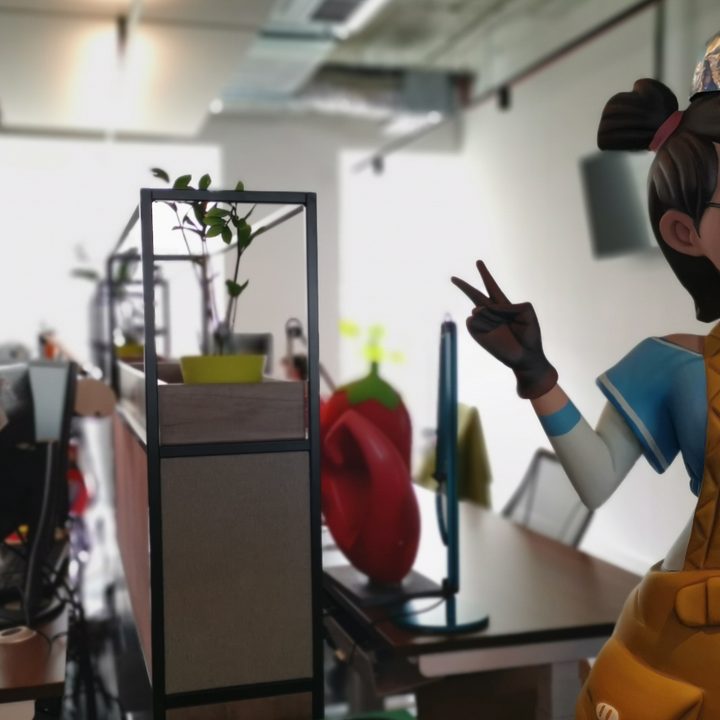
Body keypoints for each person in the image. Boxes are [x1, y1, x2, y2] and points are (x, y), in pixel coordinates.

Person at [452, 35, 720, 720]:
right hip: (688, 653)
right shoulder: (677, 365)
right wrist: (536, 374)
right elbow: (597, 480)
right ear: (685, 233)